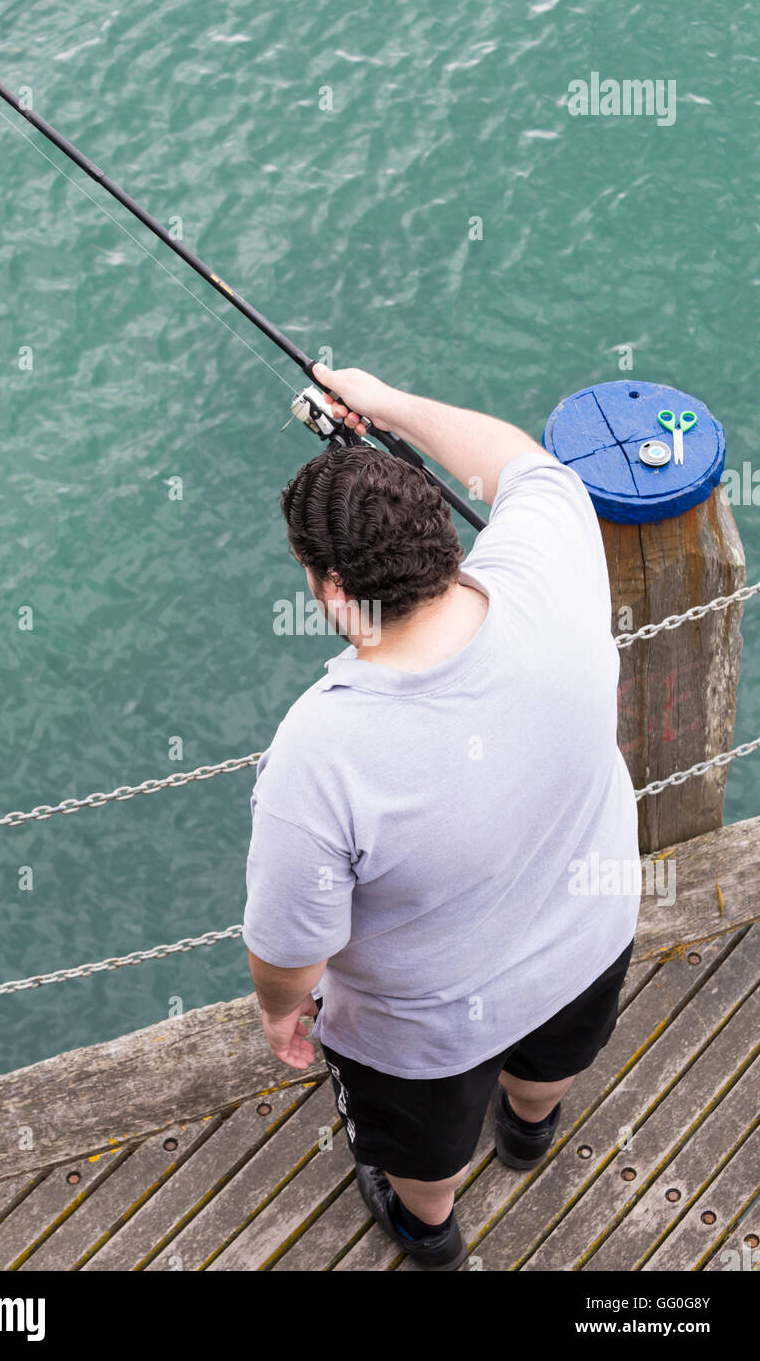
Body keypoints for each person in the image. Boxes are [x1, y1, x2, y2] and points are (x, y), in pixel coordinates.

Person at [242, 362, 641, 1271]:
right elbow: (515, 462)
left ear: (336, 590)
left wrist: (280, 1014)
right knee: (548, 1068)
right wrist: (385, 405)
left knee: (422, 1154)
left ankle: (431, 1227)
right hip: (591, 935)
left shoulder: (319, 753)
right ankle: (529, 1132)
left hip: (428, 1032)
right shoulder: (551, 556)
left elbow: (291, 953)